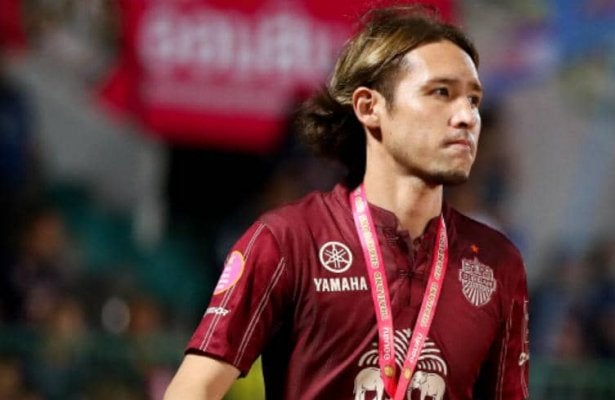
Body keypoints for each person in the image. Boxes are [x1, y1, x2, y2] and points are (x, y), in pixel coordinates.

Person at [164, 6, 530, 400]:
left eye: (473, 99)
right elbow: (193, 389)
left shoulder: (497, 263)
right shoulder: (287, 241)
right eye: (441, 92)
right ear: (370, 107)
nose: (466, 117)